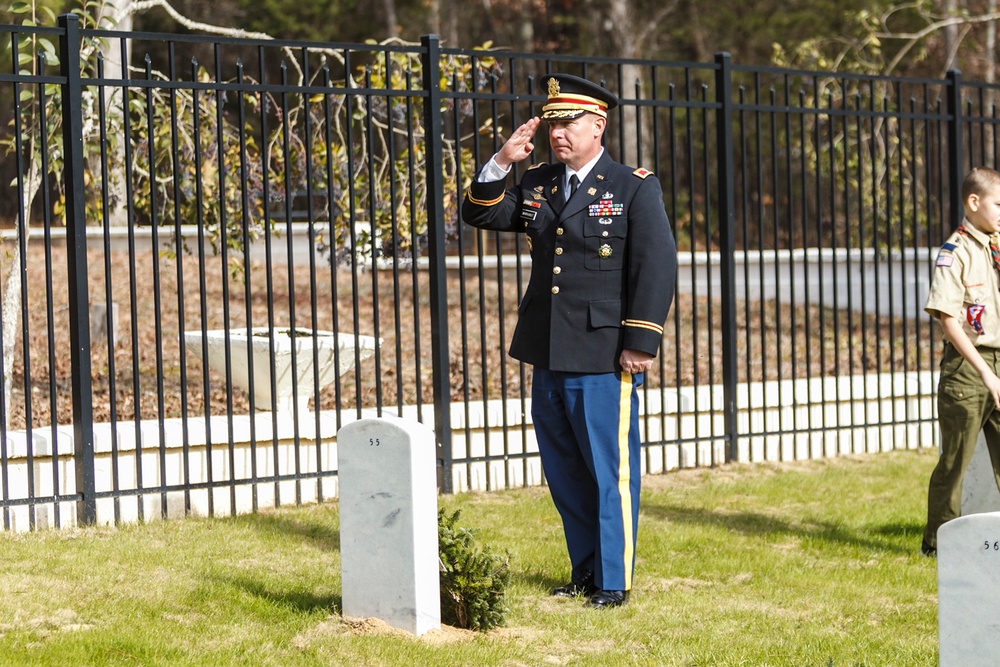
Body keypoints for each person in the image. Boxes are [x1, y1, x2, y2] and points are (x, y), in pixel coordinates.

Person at [461, 73, 677, 607]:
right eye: (553, 122)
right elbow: (480, 213)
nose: (559, 132)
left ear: (598, 126)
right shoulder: (538, 183)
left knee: (608, 471)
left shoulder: (633, 185)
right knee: (564, 471)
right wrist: (503, 162)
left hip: (604, 354)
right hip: (549, 350)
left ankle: (612, 581)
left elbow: (657, 266)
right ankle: (584, 571)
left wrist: (641, 342)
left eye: (570, 122)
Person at [923, 166, 1000, 556]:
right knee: (955, 462)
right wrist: (987, 374)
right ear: (974, 202)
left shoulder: (997, 247)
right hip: (968, 370)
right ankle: (938, 546)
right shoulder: (954, 253)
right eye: (999, 204)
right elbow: (949, 323)